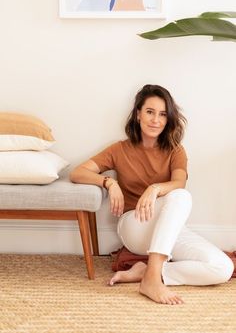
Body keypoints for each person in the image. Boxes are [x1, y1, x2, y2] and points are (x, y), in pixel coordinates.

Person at [70, 84, 234, 305]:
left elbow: (179, 183)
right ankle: (152, 281)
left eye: (163, 114)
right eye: (150, 112)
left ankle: (149, 272)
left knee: (222, 268)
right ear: (138, 114)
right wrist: (109, 182)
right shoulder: (119, 149)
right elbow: (77, 173)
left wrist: (154, 188)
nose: (156, 119)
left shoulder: (175, 150)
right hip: (134, 225)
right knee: (181, 197)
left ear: (168, 120)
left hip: (168, 228)